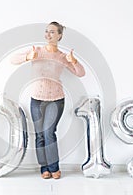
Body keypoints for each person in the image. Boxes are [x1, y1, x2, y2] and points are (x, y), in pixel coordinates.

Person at [11, 21, 85, 179]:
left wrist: (74, 60)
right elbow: (13, 59)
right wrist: (27, 57)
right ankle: (44, 167)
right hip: (36, 99)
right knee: (39, 134)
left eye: (52, 32)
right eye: (46, 31)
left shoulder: (63, 57)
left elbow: (80, 73)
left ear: (59, 35)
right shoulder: (36, 51)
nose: (48, 34)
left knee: (49, 132)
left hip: (56, 100)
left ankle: (54, 167)